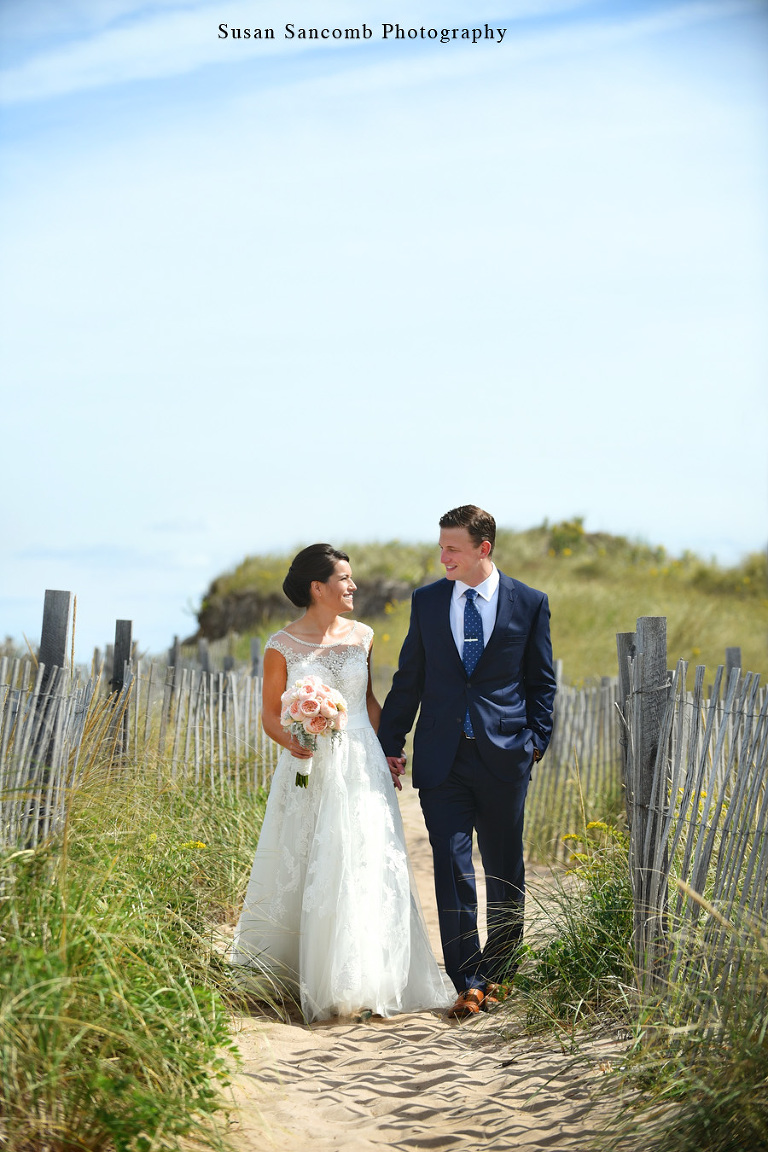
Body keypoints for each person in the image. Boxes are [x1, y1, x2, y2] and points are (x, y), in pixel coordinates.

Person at [231, 544, 454, 1023]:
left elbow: (367, 700)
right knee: (309, 857)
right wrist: (294, 741)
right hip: (308, 762)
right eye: (344, 579)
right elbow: (269, 715)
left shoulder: (363, 637)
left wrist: (388, 749)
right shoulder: (281, 645)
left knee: (364, 856)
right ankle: (293, 973)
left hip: (361, 759)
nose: (353, 586)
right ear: (318, 587)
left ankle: (360, 978)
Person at [378, 506, 557, 1019]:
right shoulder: (428, 601)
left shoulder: (530, 602)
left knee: (504, 868)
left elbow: (541, 681)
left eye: (452, 548)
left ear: (484, 548)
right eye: (441, 547)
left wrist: (534, 743)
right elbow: (409, 678)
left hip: (505, 756)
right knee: (452, 867)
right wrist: (391, 742)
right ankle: (468, 981)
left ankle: (500, 974)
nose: (443, 557)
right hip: (443, 759)